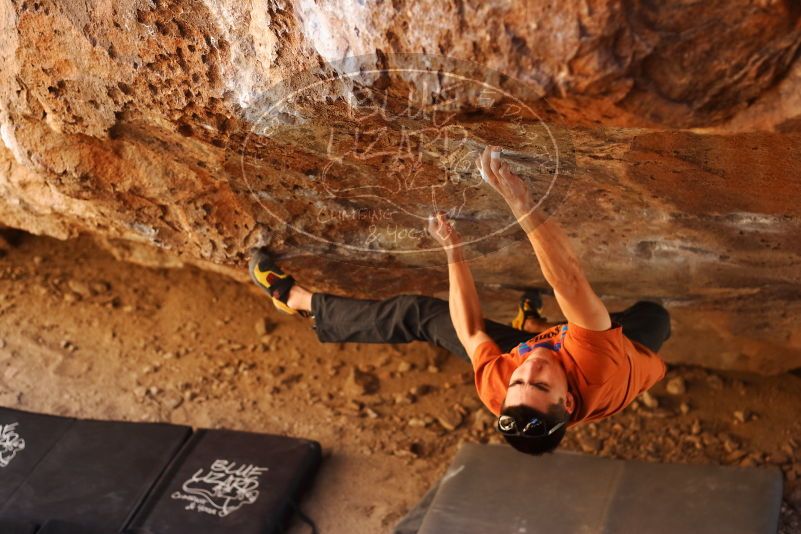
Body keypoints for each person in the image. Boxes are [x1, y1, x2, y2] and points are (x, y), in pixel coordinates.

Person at [249, 146, 670, 455]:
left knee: (421, 314)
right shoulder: (598, 371)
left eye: (519, 383)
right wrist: (521, 202)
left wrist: (453, 248)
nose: (529, 370)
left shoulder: (500, 383)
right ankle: (537, 328)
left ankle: (296, 299)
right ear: (568, 400)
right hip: (625, 352)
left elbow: (468, 330)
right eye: (540, 385)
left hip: (561, 349)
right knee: (655, 315)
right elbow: (570, 281)